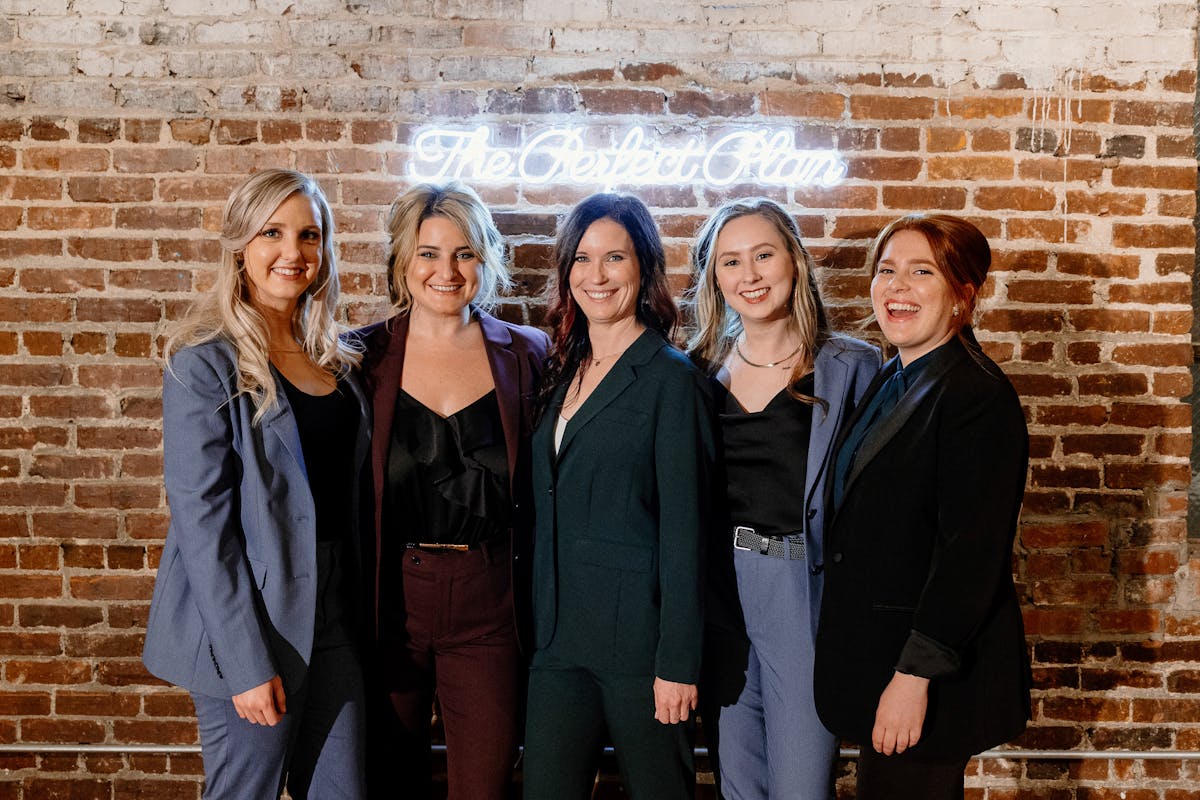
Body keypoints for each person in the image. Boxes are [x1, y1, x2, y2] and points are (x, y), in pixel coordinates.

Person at [142, 168, 369, 799]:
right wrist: (245, 663)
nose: (292, 253)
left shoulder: (337, 361)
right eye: (273, 232)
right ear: (241, 244)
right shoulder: (203, 364)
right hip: (252, 622)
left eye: (309, 235)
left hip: (334, 617)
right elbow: (203, 530)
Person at [814, 214, 1031, 799]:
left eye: (921, 272)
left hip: (924, 674)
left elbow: (971, 556)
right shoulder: (899, 375)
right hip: (878, 657)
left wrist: (913, 677)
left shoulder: (976, 396)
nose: (897, 287)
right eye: (887, 271)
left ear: (963, 295)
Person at [355, 181, 549, 799]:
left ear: (485, 258)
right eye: (429, 253)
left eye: (464, 253)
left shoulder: (527, 354)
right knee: (388, 781)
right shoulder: (361, 357)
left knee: (485, 786)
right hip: (393, 605)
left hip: (490, 602)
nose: (447, 270)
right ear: (403, 262)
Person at [522, 193, 716, 800]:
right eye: (582, 259)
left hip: (641, 649)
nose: (596, 276)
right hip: (556, 642)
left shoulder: (671, 379)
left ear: (644, 269)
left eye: (615, 257)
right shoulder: (561, 368)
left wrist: (678, 663)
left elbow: (688, 532)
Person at [687, 198, 879, 800]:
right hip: (720, 589)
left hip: (802, 586)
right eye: (730, 262)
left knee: (800, 785)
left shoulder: (852, 365)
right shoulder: (695, 370)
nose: (750, 275)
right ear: (714, 280)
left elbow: (877, 501)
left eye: (763, 255)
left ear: (794, 260)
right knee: (738, 782)